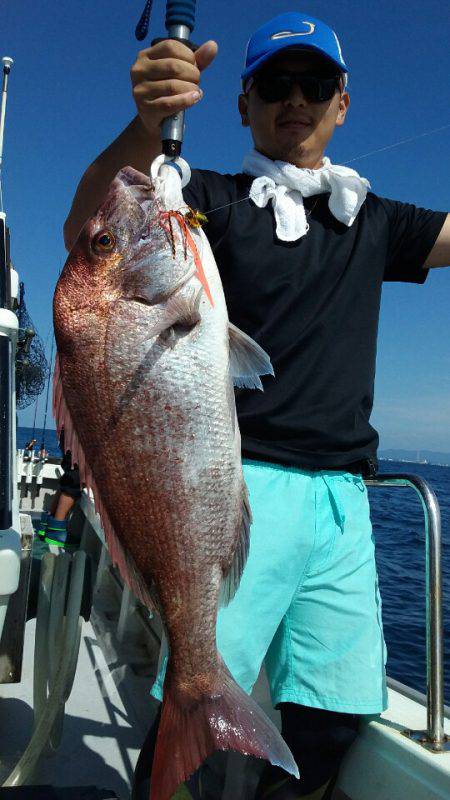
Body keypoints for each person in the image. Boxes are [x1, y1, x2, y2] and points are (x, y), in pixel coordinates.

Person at [63, 12, 450, 800]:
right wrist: (145, 127)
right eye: (276, 84)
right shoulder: (208, 202)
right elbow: (90, 230)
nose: (295, 99)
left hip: (345, 505)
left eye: (315, 84)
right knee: (192, 717)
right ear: (243, 104)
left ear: (344, 102)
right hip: (238, 486)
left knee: (334, 720)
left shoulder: (371, 219)